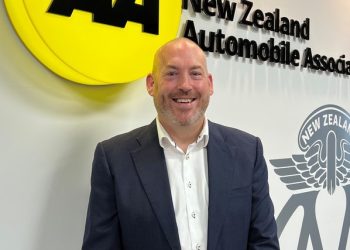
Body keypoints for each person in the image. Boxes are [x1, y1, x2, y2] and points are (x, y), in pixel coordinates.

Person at [82, 38, 279, 250]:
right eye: (171, 73)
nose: (185, 85)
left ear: (210, 84)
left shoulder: (248, 152)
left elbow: (264, 243)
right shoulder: (113, 159)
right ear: (151, 84)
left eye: (195, 73)